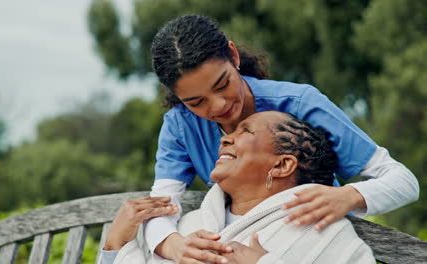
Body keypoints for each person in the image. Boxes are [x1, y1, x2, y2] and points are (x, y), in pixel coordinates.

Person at [141, 14, 419, 264]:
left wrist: (348, 196)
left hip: (312, 246)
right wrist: (174, 245)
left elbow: (403, 181)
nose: (217, 106)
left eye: (222, 84)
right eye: (196, 102)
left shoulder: (300, 105)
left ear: (233, 56)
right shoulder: (180, 125)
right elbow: (160, 205)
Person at [100, 111, 376, 264]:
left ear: (281, 166)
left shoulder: (326, 234)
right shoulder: (190, 225)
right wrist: (116, 246)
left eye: (245, 132)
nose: (225, 140)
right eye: (229, 134)